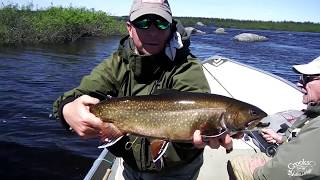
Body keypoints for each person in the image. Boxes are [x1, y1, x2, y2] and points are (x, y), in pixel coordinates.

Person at [53, 0, 238, 179]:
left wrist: (209, 133)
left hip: (178, 169)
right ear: (129, 28)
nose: (152, 31)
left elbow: (199, 100)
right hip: (130, 164)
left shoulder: (186, 66)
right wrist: (67, 109)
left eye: (160, 23)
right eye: (143, 22)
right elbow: (74, 96)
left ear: (171, 27)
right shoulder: (117, 64)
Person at [228, 56, 320, 179]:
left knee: (237, 163)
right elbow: (301, 134)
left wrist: (258, 172)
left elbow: (285, 172)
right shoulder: (313, 114)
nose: (299, 83)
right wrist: (282, 139)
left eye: (306, 78)